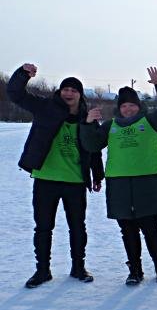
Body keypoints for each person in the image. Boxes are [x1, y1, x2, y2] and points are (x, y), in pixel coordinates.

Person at [7, 63, 104, 288]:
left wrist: (96, 175)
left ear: (80, 95)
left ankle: (78, 267)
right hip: (46, 179)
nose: (68, 93)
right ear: (60, 92)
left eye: (73, 90)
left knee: (77, 226)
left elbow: (94, 147)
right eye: (65, 89)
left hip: (75, 181)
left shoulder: (86, 117)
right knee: (43, 227)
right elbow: (15, 94)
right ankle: (42, 270)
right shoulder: (46, 108)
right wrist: (23, 74)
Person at [80, 68, 157, 285]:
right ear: (119, 108)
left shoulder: (150, 121)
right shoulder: (110, 126)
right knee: (127, 229)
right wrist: (86, 124)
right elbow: (92, 144)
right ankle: (135, 269)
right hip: (119, 185)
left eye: (132, 105)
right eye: (124, 106)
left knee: (150, 226)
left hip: (147, 184)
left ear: (138, 107)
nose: (128, 109)